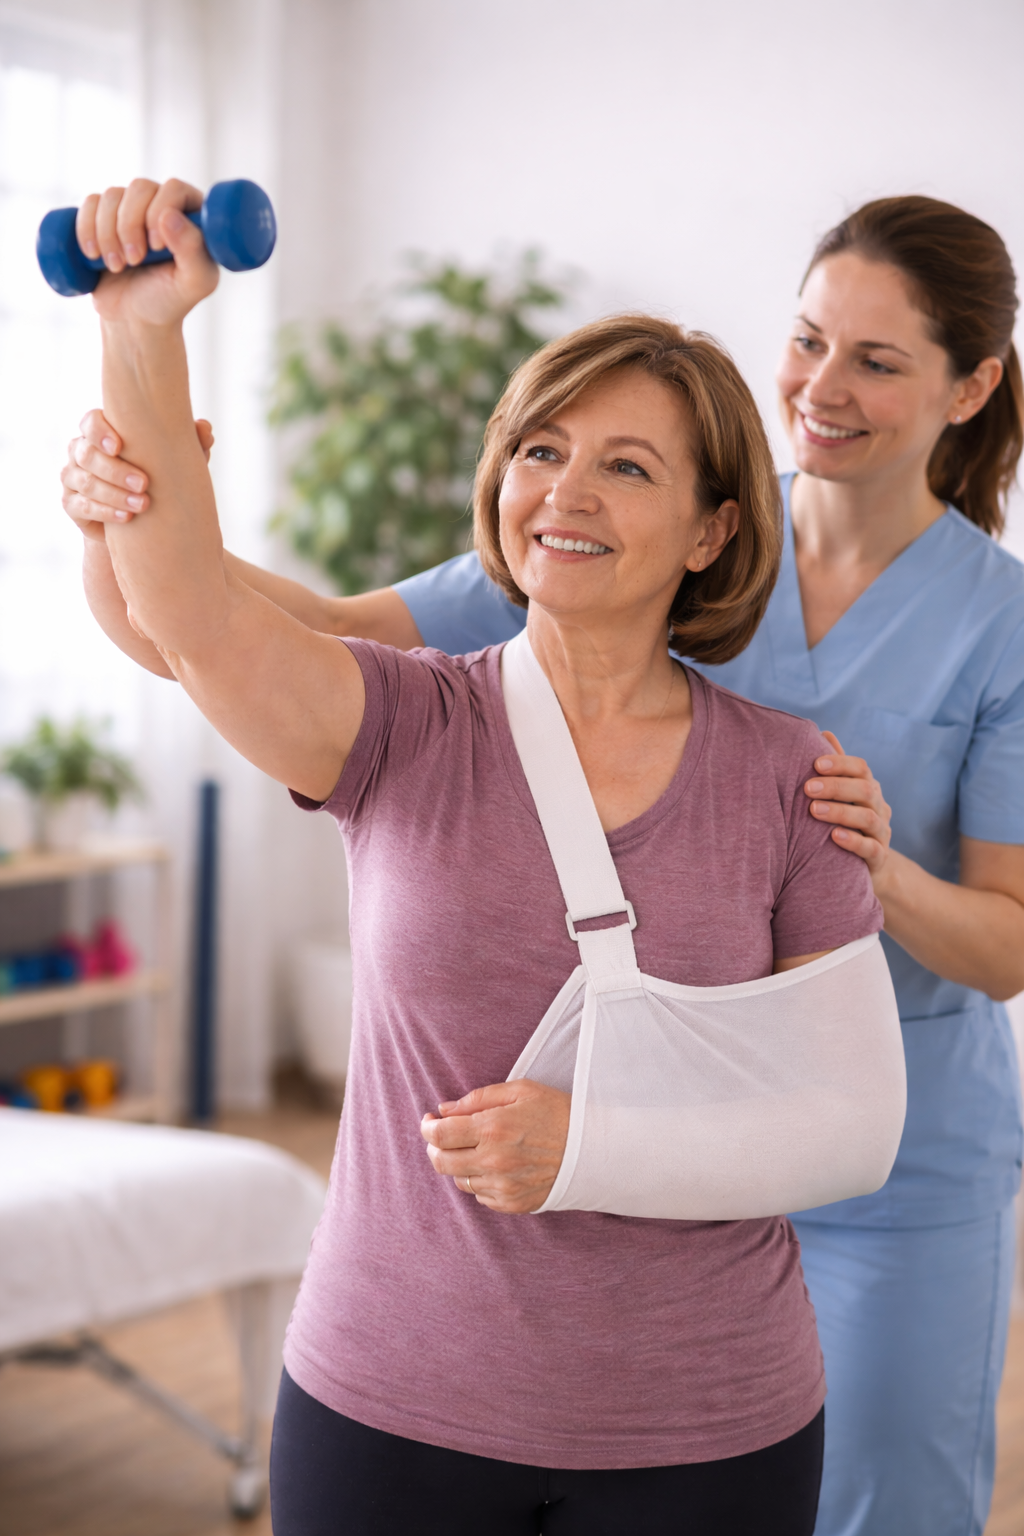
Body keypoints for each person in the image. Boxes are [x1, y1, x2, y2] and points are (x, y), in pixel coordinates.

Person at [64, 192, 1024, 1536]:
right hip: (420, 1362)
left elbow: (960, 998)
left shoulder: (877, 705)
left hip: (884, 1159)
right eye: (809, 340)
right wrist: (140, 477)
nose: (822, 386)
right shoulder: (451, 680)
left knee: (895, 1501)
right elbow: (230, 632)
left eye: (876, 359)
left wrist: (874, 864)